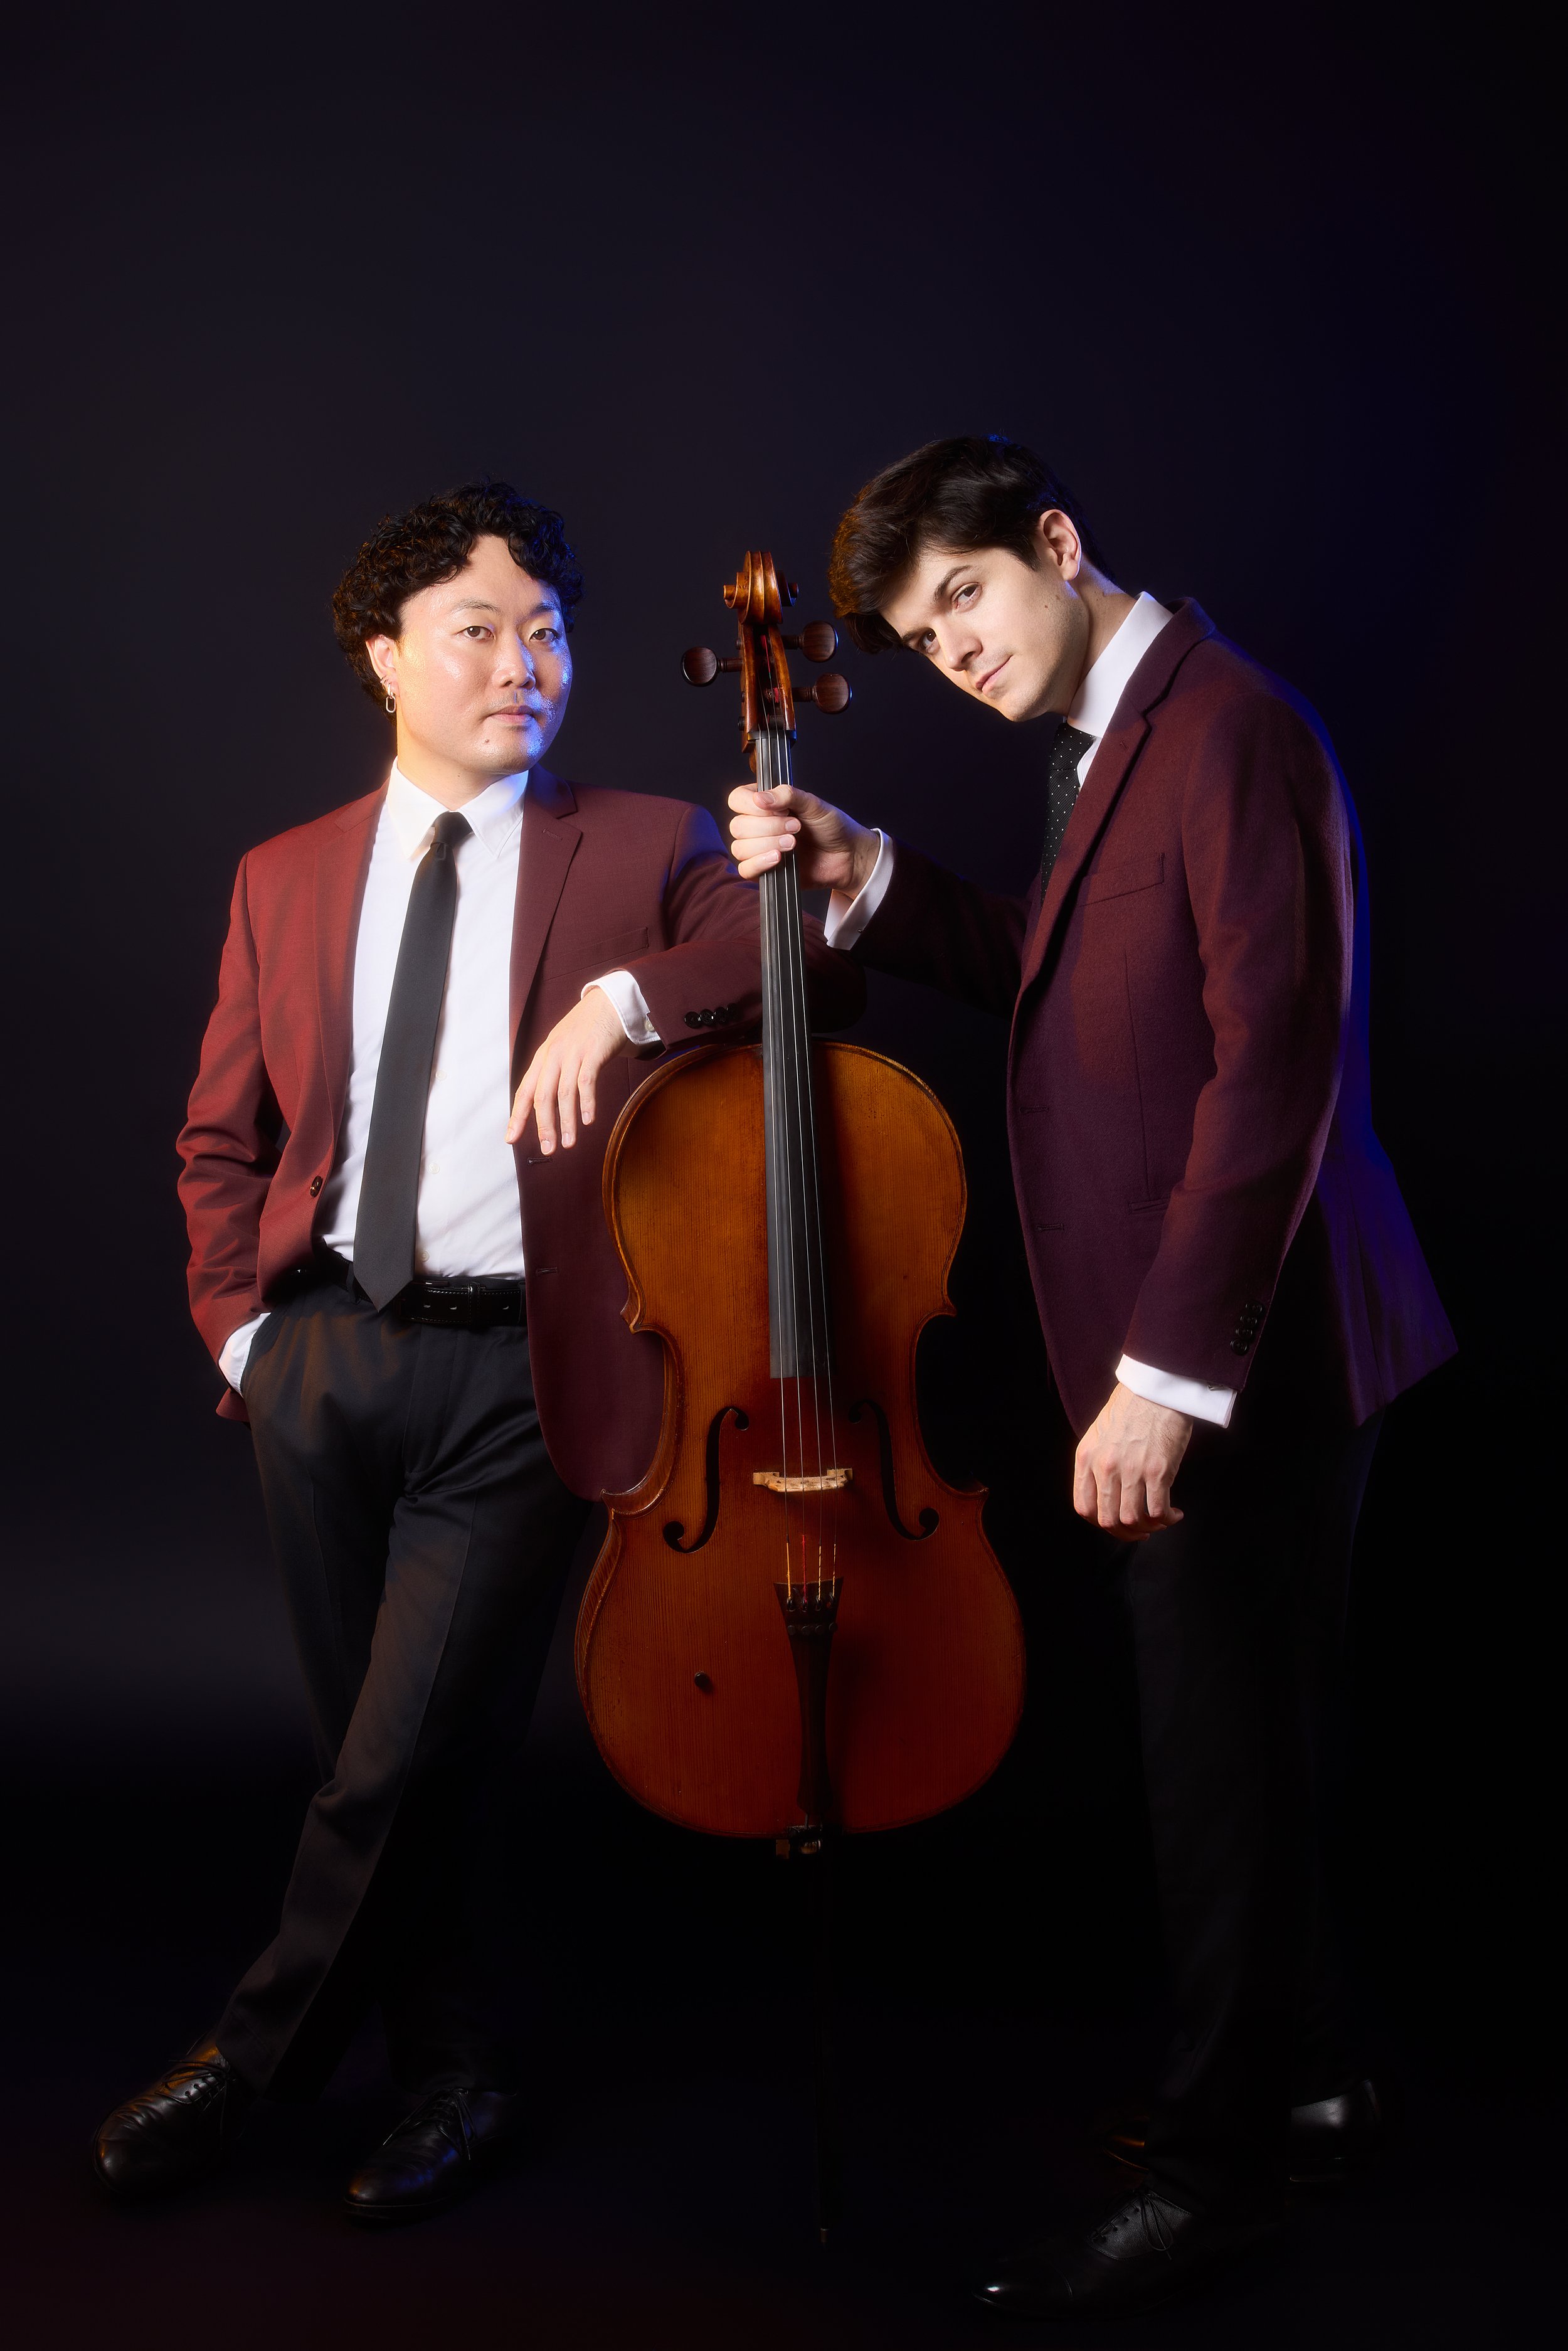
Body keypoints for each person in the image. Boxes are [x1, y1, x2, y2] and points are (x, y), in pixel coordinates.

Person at [727, 435, 1454, 2319]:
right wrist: (874, 873)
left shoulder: (1229, 730)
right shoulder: (1103, 738)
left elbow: (1274, 1066)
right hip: (1216, 1336)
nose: (953, 649)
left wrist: (1166, 1376)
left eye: (965, 595)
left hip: (1250, 1347)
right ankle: (1313, 2086)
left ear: (1055, 544)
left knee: (1216, 1767)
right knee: (1260, 1743)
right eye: (921, 635)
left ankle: (1216, 2178)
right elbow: (1071, 979)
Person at [92, 481, 862, 2224]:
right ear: (386, 657)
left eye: (549, 634)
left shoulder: (645, 838)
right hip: (321, 1362)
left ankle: (246, 2060)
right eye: (480, 632)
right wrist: (243, 1337)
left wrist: (624, 996)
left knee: (394, 1752)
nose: (528, 666)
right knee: (389, 1762)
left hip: (527, 1372)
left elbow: (801, 959)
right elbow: (220, 1136)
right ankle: (453, 2073)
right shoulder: (284, 873)